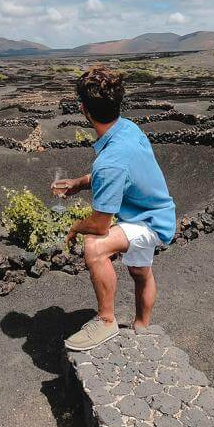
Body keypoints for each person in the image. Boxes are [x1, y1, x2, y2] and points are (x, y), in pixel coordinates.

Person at [53, 66, 175, 351]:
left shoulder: (109, 162)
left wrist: (74, 228)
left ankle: (106, 321)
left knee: (95, 245)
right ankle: (142, 329)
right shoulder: (128, 128)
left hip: (149, 223)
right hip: (158, 212)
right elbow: (120, 173)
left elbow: (99, 225)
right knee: (140, 272)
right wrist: (81, 183)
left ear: (83, 109)